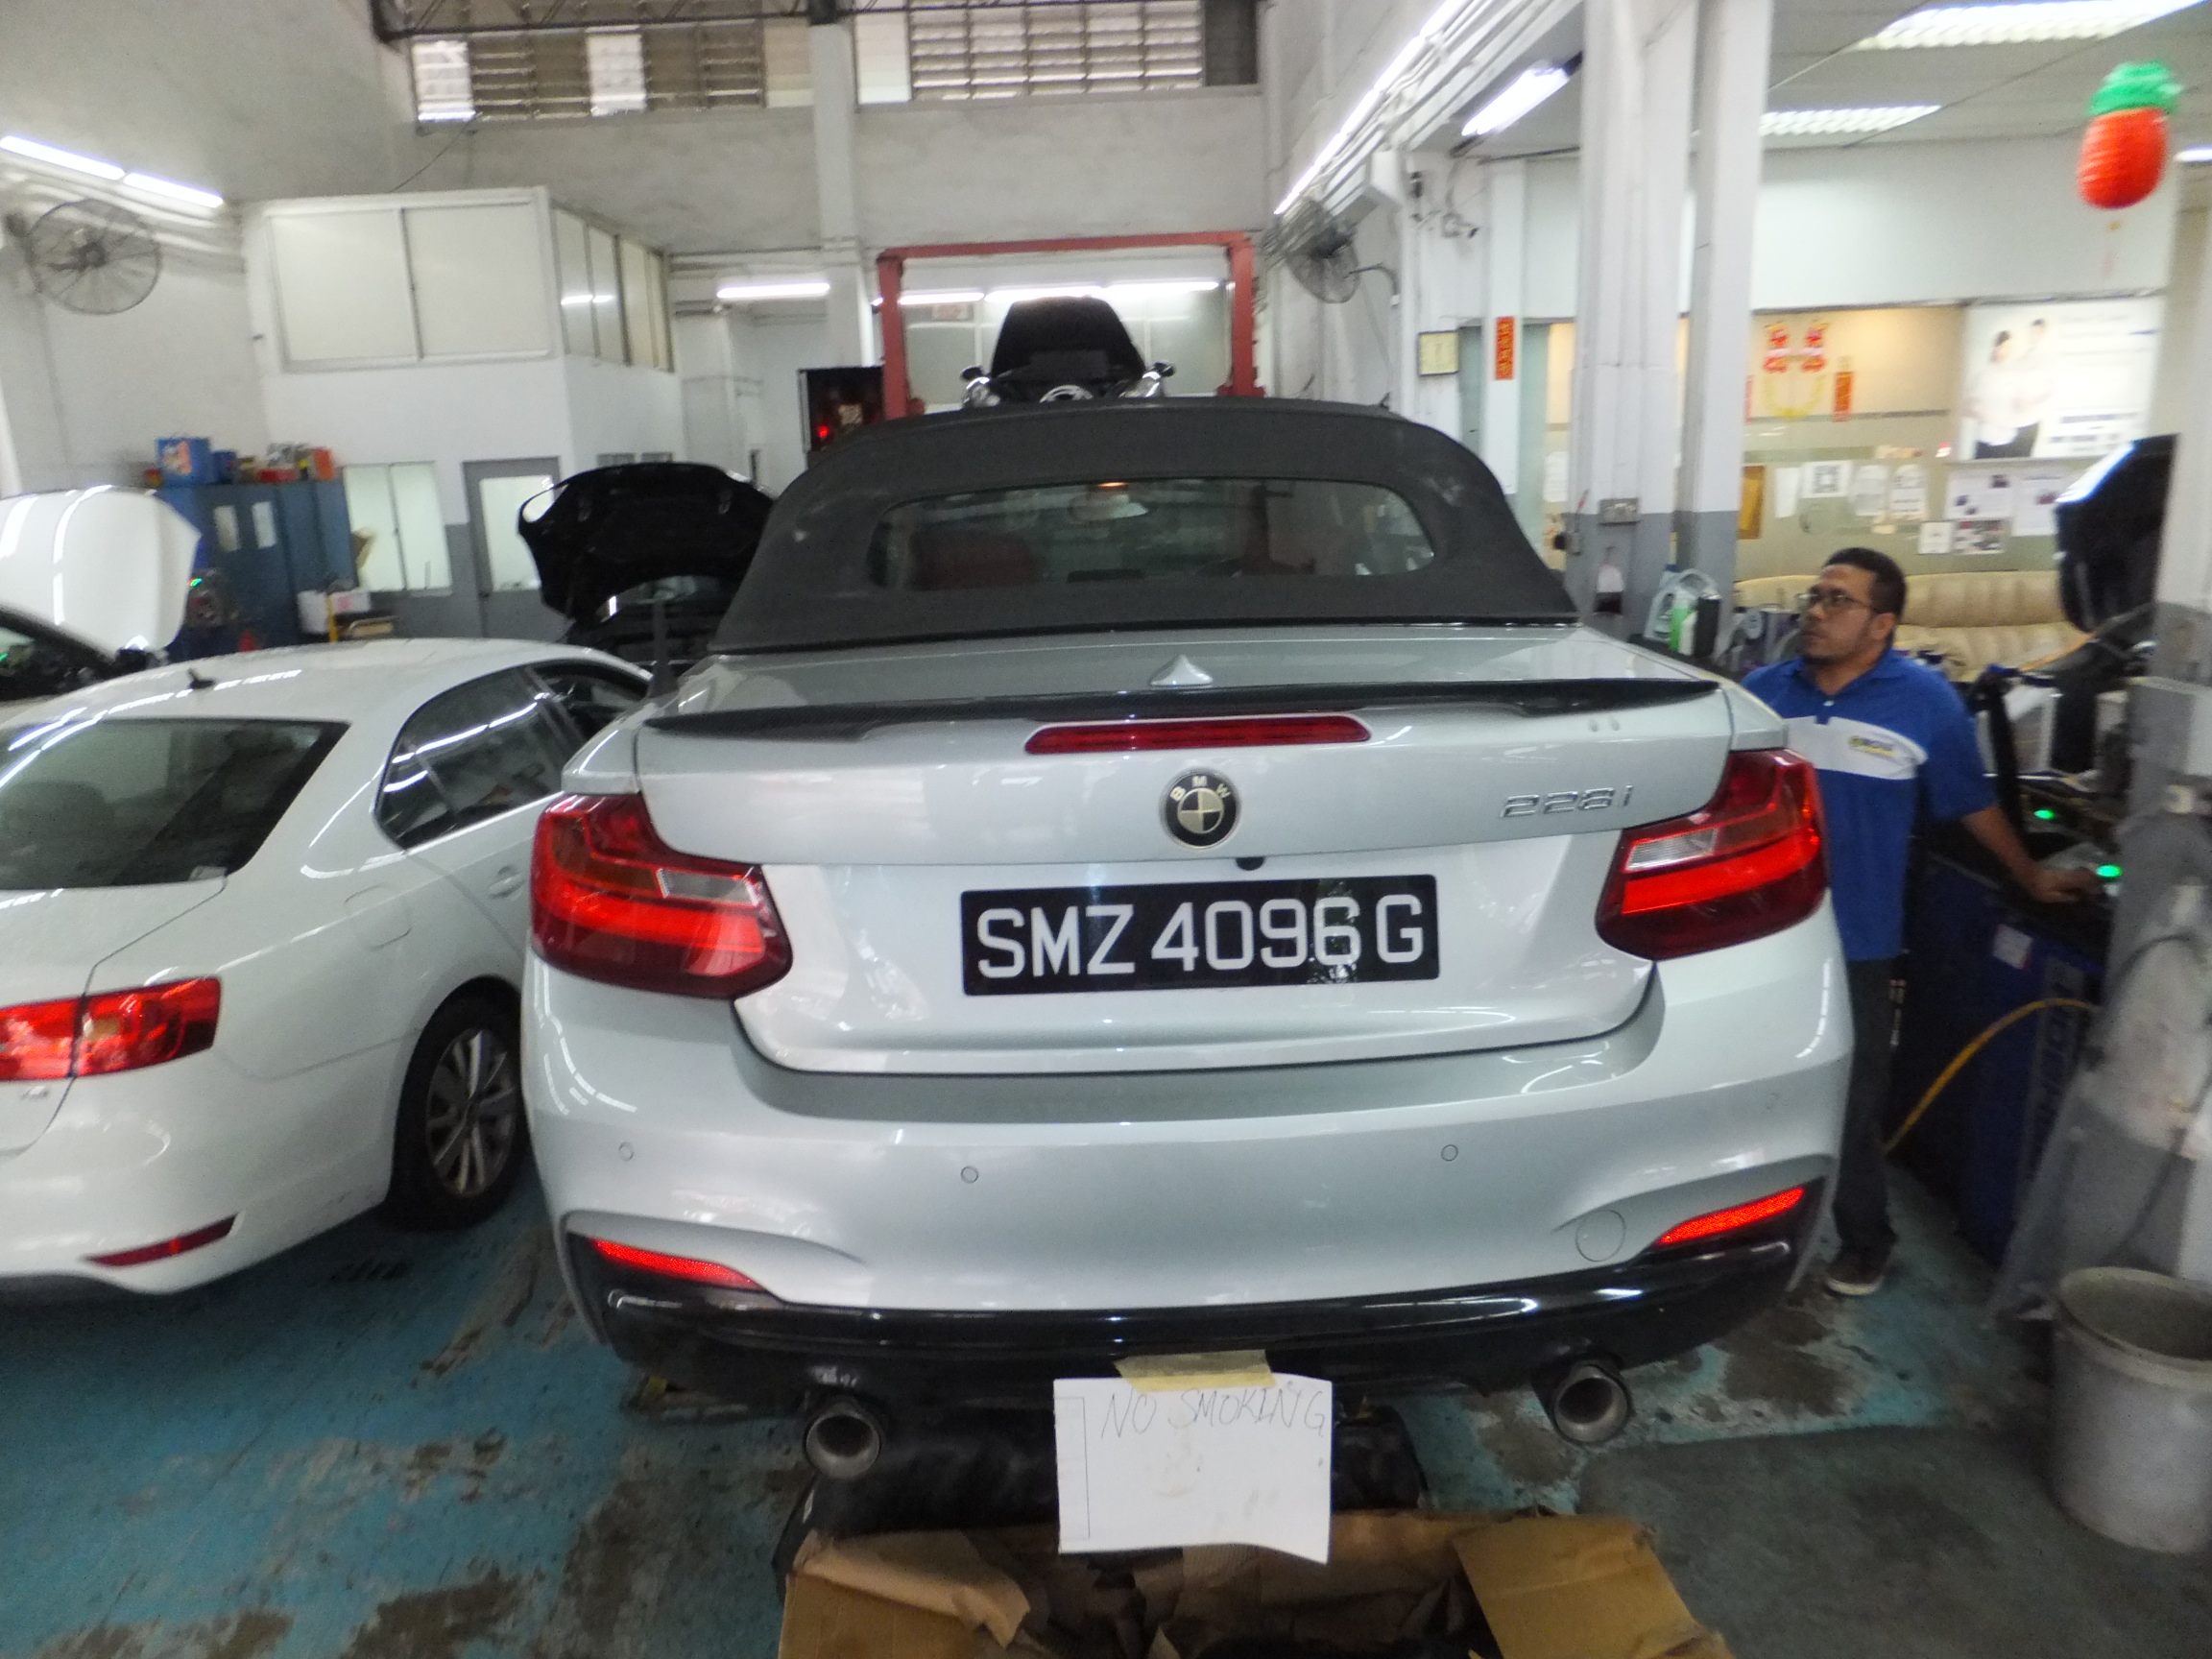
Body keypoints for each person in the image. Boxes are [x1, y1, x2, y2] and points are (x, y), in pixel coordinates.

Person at [1744, 548, 2097, 1297]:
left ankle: (1865, 1240)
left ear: (1882, 624)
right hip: (1759, 939)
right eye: (1814, 595)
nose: (1815, 611)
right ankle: (1745, 1233)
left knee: (1851, 1099)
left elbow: (1971, 805)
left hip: (1859, 942)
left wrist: (2030, 875)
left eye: (1837, 600)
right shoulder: (1763, 693)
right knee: (1749, 1086)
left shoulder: (1925, 702)